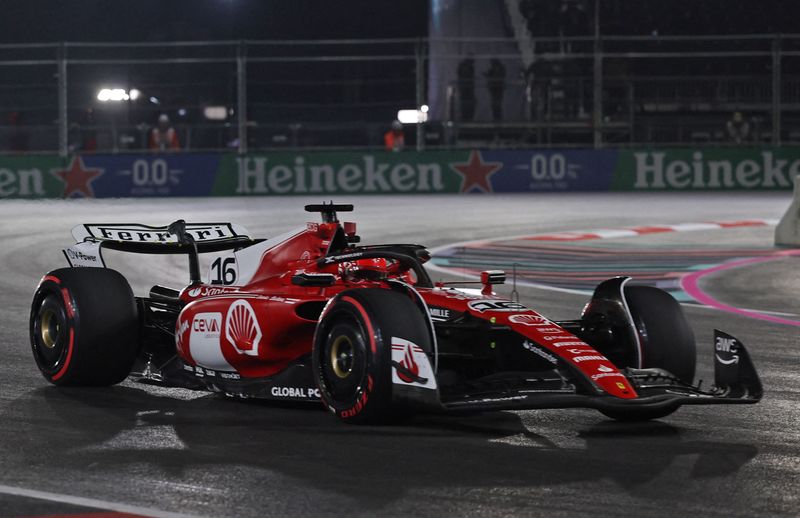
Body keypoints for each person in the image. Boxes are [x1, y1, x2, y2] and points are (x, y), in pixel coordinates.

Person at [457, 57, 476, 122]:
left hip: (468, 89)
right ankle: (466, 118)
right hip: (465, 89)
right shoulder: (465, 67)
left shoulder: (469, 67)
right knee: (465, 104)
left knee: (468, 104)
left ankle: (468, 118)